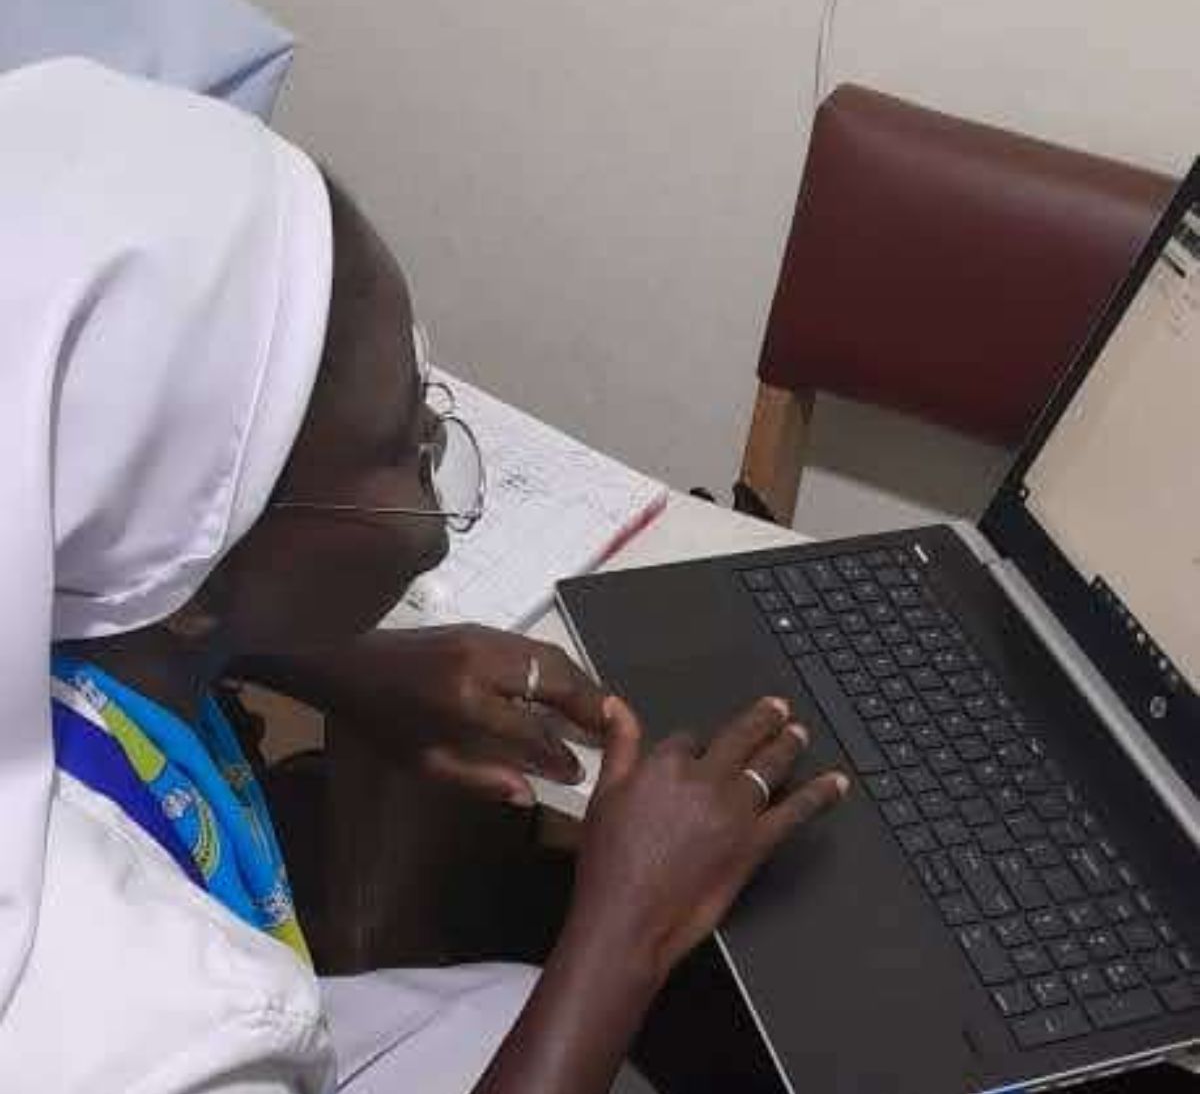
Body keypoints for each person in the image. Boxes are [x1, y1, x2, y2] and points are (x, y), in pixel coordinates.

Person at [0, 58, 849, 1093]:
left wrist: (346, 667)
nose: (434, 499)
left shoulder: (63, 528)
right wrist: (629, 927)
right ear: (197, 580)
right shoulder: (139, 1011)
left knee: (498, 1002)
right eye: (406, 449)